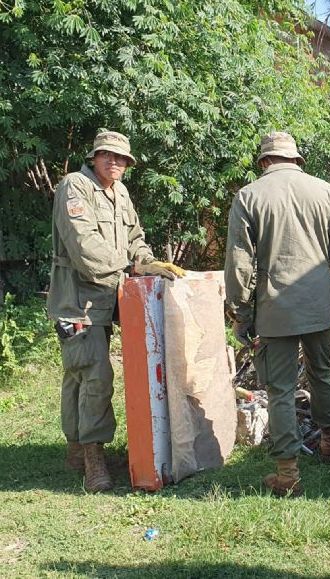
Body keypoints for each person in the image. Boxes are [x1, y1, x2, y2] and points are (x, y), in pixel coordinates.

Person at [224, 131, 330, 497]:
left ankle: (288, 472)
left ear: (264, 162)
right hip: (319, 305)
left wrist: (241, 313)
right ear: (296, 160)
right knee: (322, 373)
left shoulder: (249, 196)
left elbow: (239, 264)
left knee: (281, 389)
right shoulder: (324, 192)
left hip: (276, 308)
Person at [48, 131, 185, 492]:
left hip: (110, 298)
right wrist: (128, 272)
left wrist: (148, 262)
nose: (116, 163)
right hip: (79, 300)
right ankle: (92, 458)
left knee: (79, 374)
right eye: (108, 156)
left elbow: (135, 237)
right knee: (93, 375)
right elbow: (84, 246)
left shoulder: (119, 193)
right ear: (94, 156)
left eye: (122, 159)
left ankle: (77, 448)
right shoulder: (75, 186)